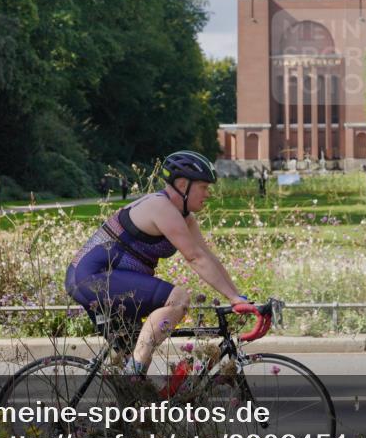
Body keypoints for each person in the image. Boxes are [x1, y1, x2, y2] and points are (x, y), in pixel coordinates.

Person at [65, 151, 251, 378]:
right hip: (91, 278)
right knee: (178, 299)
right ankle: (134, 376)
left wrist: (237, 297)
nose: (208, 193)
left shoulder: (184, 217)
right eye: (203, 187)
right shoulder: (160, 207)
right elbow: (194, 258)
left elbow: (207, 256)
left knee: (135, 366)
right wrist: (233, 298)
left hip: (106, 280)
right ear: (182, 185)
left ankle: (134, 387)